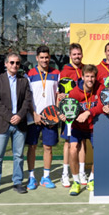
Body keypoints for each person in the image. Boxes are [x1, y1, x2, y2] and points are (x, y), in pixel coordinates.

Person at [0, 53, 32, 196]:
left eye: (17, 63)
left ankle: (17, 182)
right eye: (12, 62)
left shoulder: (24, 81)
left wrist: (19, 116)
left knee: (18, 155)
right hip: (2, 124)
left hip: (20, 124)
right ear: (6, 64)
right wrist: (10, 117)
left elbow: (27, 101)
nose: (15, 65)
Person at [61, 64, 103, 196]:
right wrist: (64, 116)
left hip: (93, 127)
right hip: (77, 127)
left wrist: (88, 112)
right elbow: (69, 110)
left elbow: (102, 106)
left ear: (95, 77)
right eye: (87, 76)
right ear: (83, 77)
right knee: (73, 149)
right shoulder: (74, 93)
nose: (90, 79)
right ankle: (76, 181)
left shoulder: (100, 88)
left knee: (100, 151)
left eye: (92, 76)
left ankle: (92, 178)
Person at [25, 45, 60, 190]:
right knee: (32, 147)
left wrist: (55, 114)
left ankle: (46, 177)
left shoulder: (56, 73)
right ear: (37, 58)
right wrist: (34, 114)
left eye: (47, 57)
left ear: (49, 58)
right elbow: (28, 97)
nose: (44, 60)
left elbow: (58, 95)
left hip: (50, 118)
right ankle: (31, 177)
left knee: (48, 147)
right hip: (34, 117)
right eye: (42, 58)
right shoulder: (30, 74)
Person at [58, 43, 85, 188]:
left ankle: (81, 172)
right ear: (70, 56)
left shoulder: (85, 69)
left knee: (81, 142)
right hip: (69, 111)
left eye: (79, 54)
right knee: (68, 143)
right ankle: (65, 173)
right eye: (74, 54)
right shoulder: (65, 71)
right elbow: (61, 94)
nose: (77, 56)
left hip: (81, 111)